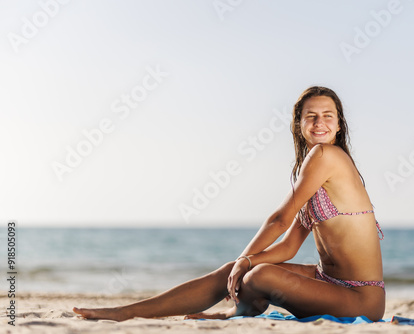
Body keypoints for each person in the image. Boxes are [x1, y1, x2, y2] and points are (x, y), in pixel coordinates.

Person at [73, 86, 385, 322]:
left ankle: (238, 311)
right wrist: (242, 263)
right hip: (327, 280)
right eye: (311, 117)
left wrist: (245, 261)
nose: (319, 123)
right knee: (239, 270)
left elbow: (279, 219)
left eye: (327, 116)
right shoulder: (313, 167)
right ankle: (126, 313)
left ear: (340, 124)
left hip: (360, 296)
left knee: (256, 274)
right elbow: (289, 245)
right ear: (298, 124)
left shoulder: (325, 156)